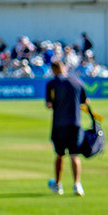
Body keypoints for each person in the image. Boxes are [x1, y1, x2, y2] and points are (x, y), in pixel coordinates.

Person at [44, 58, 87, 197]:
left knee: (59, 155)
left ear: (54, 70)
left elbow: (49, 104)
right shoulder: (77, 82)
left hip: (59, 124)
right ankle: (77, 185)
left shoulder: (52, 83)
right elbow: (85, 101)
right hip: (75, 123)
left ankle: (58, 185)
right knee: (74, 155)